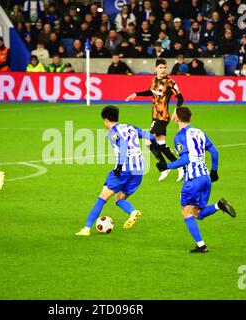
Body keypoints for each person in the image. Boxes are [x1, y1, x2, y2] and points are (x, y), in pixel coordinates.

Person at [156, 106, 236, 253]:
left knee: (186, 212)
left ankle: (201, 246)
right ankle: (219, 206)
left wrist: (166, 165)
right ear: (190, 119)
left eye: (174, 113)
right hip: (205, 177)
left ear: (176, 118)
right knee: (197, 213)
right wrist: (214, 171)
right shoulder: (199, 132)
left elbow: (185, 159)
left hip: (193, 180)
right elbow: (214, 151)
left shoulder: (180, 136)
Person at [76, 105, 157, 236]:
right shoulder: (131, 127)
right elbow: (151, 137)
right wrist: (156, 149)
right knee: (119, 198)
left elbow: (123, 145)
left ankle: (86, 229)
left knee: (102, 198)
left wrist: (119, 166)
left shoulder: (112, 132)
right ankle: (132, 212)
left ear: (106, 120)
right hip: (139, 169)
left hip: (124, 169)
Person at [125, 59, 184, 182]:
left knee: (148, 141)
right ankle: (179, 166)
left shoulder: (170, 82)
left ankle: (164, 167)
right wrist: (136, 93)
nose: (163, 70)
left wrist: (176, 111)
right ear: (156, 68)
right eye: (161, 67)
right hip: (154, 115)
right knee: (161, 143)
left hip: (163, 116)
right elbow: (150, 92)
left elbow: (180, 97)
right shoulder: (154, 80)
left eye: (164, 68)